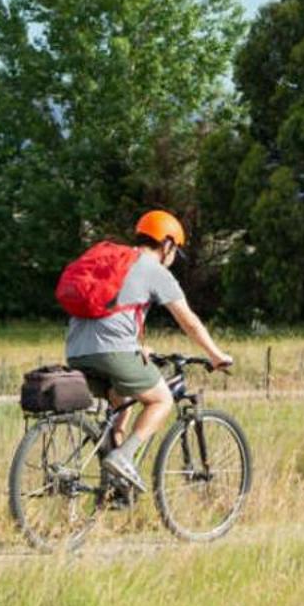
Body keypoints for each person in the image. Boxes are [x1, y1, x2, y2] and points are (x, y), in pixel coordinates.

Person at [64, 209, 233, 493]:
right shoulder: (153, 269)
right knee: (161, 400)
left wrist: (135, 346)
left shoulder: (115, 260)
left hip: (77, 350)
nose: (172, 258)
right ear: (166, 244)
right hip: (112, 351)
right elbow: (188, 322)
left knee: (122, 398)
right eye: (174, 251)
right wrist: (217, 355)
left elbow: (109, 309)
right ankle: (123, 457)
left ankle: (116, 487)